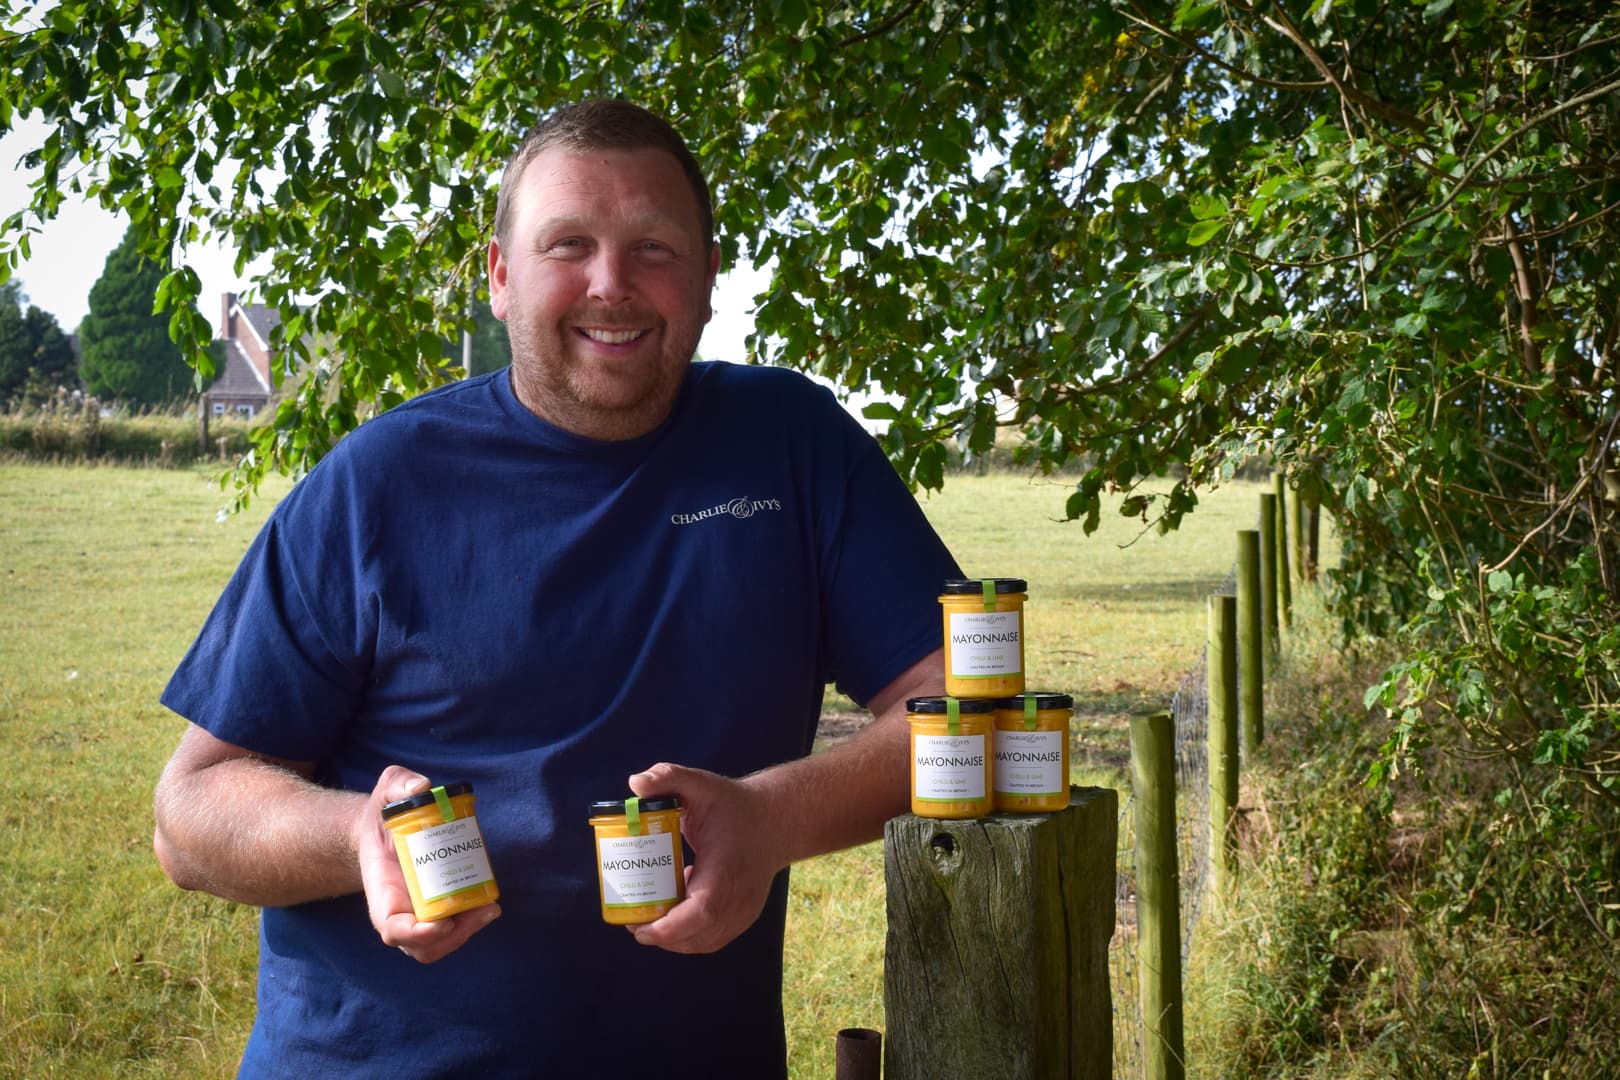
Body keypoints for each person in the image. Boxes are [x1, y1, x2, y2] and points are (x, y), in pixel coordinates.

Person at [153, 99, 960, 1078]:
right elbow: (191, 816)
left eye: (654, 247)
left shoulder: (792, 447)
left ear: (709, 274)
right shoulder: (377, 484)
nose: (611, 283)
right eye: (567, 244)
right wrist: (359, 833)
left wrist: (772, 818)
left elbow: (972, 714)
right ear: (501, 276)